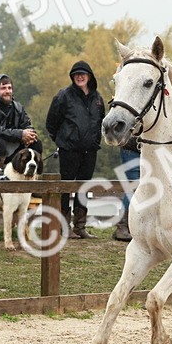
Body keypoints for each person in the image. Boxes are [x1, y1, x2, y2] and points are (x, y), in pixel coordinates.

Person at [46, 61, 105, 239]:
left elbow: (101, 122)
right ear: (72, 77)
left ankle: (80, 226)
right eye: (76, 74)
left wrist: (95, 140)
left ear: (89, 76)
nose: (79, 77)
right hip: (69, 150)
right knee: (66, 187)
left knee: (84, 187)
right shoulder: (63, 96)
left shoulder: (97, 98)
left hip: (90, 151)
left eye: (83, 74)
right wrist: (63, 140)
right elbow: (51, 123)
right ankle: (64, 227)